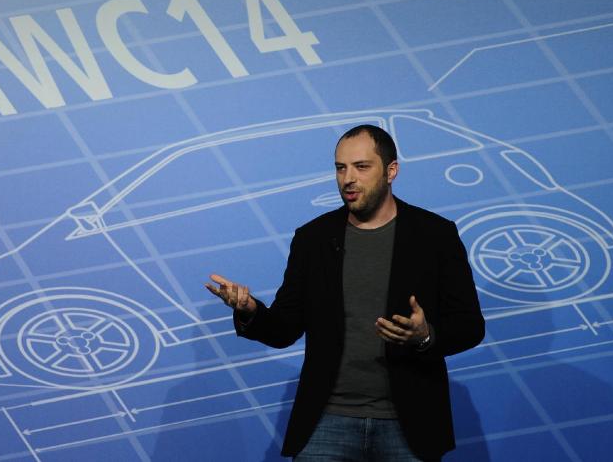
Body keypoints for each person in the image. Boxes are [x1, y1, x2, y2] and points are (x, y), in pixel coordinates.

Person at [205, 124, 485, 461]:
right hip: (327, 420)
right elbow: (285, 329)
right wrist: (250, 310)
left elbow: (470, 326)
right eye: (341, 168)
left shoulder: (435, 235)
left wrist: (425, 336)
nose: (348, 178)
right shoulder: (314, 238)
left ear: (391, 171)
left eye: (361, 167)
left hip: (409, 424)